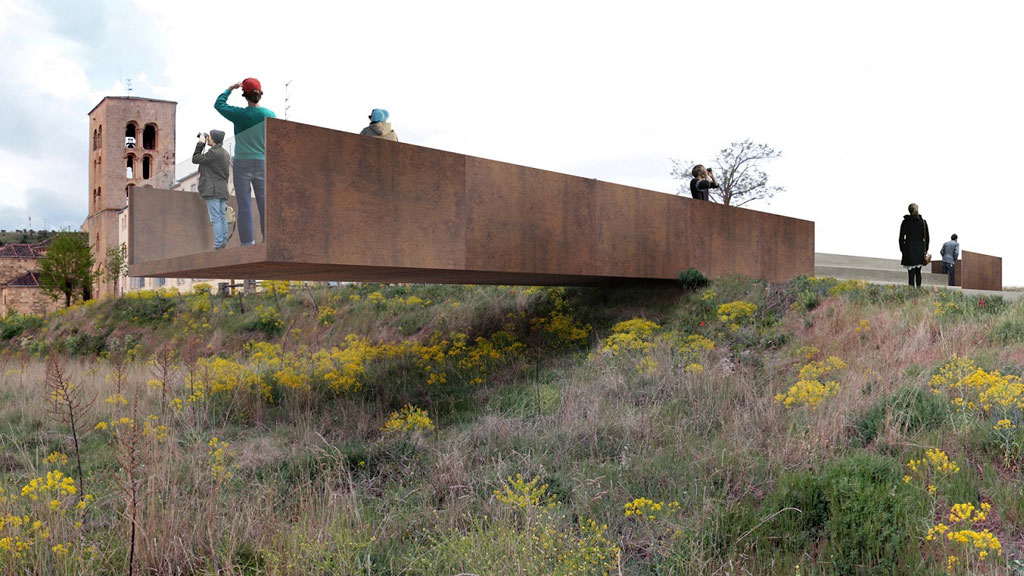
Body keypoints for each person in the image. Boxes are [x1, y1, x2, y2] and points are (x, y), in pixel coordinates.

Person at [214, 77, 276, 246]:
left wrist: (229, 89)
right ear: (260, 94)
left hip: (242, 163)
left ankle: (248, 243)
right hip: (263, 162)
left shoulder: (239, 114)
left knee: (244, 204)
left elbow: (219, 105)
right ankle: (268, 239)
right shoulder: (270, 115)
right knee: (265, 203)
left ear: (244, 95)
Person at [192, 129, 231, 250]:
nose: (208, 138)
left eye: (209, 137)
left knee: (215, 218)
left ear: (213, 139)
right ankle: (222, 241)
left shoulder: (214, 153)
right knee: (221, 216)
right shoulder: (224, 153)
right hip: (221, 189)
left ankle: (218, 244)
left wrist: (200, 144)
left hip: (212, 190)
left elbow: (195, 159)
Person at [899, 203, 930, 287]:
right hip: (919, 251)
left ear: (909, 211)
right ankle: (919, 291)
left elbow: (901, 238)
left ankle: (911, 293)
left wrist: (903, 250)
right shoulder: (923, 222)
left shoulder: (905, 222)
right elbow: (927, 238)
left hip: (909, 250)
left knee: (911, 274)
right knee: (918, 272)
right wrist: (925, 250)